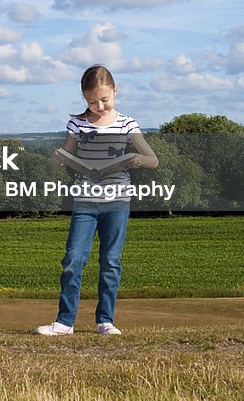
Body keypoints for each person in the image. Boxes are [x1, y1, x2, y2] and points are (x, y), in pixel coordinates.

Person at [36, 64, 158, 337]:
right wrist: (58, 158)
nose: (99, 106)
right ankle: (65, 322)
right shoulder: (77, 124)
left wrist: (134, 159)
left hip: (117, 203)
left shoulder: (127, 124)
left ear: (115, 91)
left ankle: (105, 321)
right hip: (85, 202)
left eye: (105, 99)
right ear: (84, 97)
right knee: (73, 259)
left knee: (110, 262)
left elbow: (153, 159)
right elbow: (64, 155)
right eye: (92, 101)